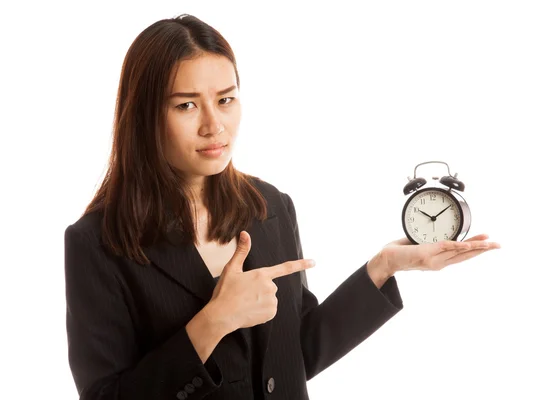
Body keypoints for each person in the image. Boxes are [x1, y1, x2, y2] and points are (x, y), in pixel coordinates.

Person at [63, 14, 500, 400]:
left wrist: (384, 266)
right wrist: (212, 322)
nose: (214, 125)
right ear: (144, 116)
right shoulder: (96, 243)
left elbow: (296, 355)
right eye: (186, 105)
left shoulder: (269, 206)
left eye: (226, 99)